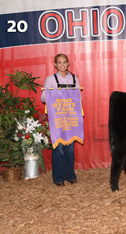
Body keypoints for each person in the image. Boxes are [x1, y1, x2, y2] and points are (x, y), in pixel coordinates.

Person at [41, 53, 80, 186]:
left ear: (68, 63)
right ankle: (58, 178)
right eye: (59, 62)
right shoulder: (50, 79)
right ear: (55, 65)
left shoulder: (74, 79)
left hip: (70, 117)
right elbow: (43, 98)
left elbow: (78, 98)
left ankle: (70, 175)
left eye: (64, 62)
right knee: (58, 147)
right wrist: (53, 93)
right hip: (57, 117)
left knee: (70, 147)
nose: (62, 65)